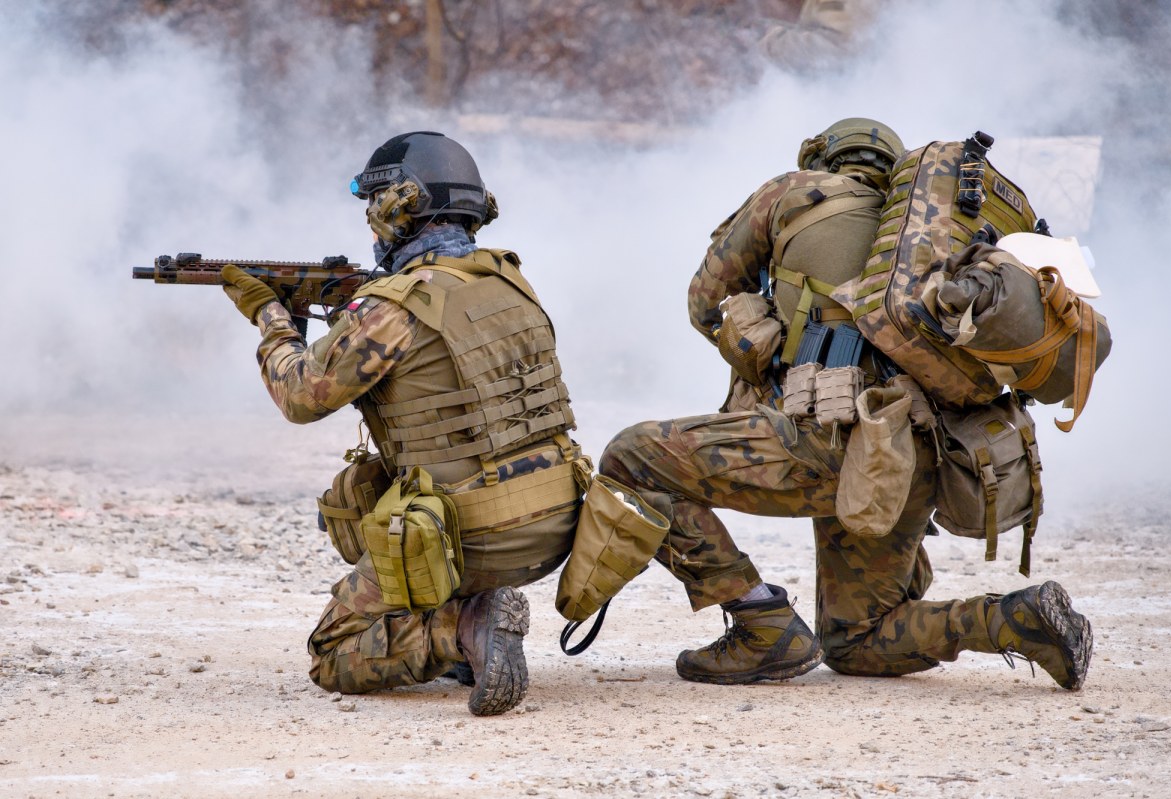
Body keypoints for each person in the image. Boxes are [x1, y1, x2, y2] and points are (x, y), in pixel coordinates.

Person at [598, 118, 1093, 690]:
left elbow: (705, 301)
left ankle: (761, 624)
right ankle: (1014, 618)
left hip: (825, 444)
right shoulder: (938, 240)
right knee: (858, 641)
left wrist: (764, 337)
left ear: (823, 158)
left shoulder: (790, 192)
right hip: (913, 459)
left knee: (631, 459)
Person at [220, 131, 586, 716]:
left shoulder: (390, 310)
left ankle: (462, 626)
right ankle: (468, 628)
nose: (370, 227)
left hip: (471, 536)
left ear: (400, 208)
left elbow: (300, 398)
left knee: (334, 654)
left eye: (374, 209)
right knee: (374, 492)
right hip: (555, 525)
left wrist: (273, 320)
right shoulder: (510, 280)